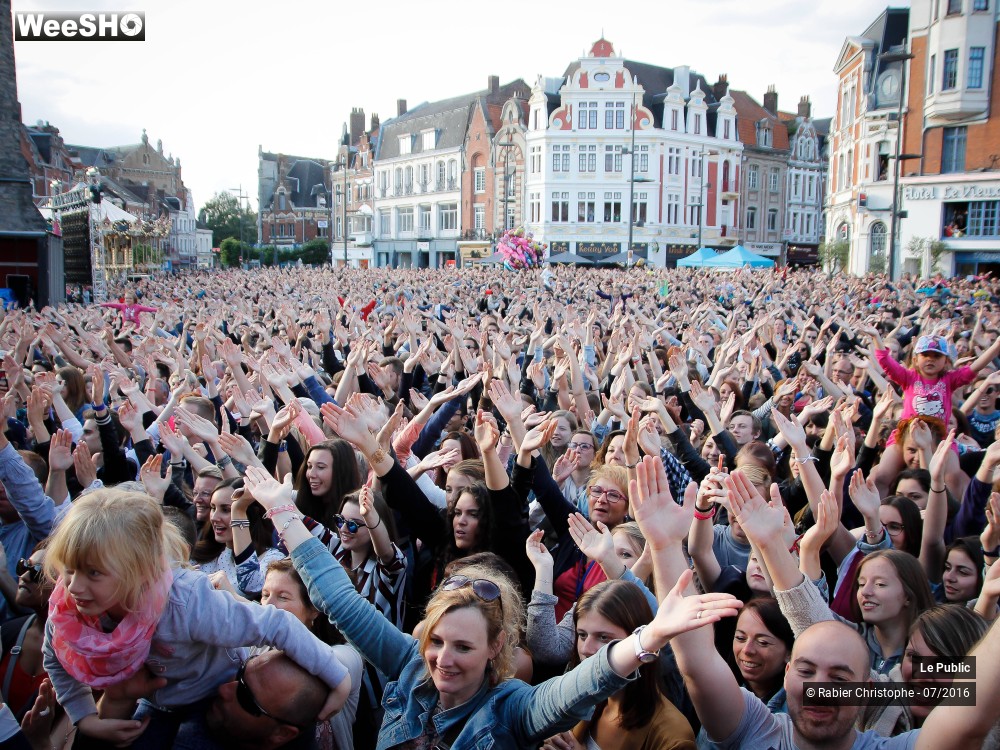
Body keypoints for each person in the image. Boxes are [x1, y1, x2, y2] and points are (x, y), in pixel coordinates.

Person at [244, 464, 741, 749]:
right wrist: (283, 513)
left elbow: (579, 685)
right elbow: (342, 604)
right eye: (436, 640)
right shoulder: (409, 666)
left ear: (495, 647)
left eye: (463, 645)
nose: (442, 658)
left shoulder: (512, 710)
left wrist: (650, 637)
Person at [41, 489, 351, 748]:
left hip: (213, 698)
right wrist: (84, 717)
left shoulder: (186, 601)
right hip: (155, 700)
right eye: (69, 569)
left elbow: (276, 624)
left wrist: (338, 678)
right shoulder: (68, 609)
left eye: (94, 573)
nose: (74, 586)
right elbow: (55, 656)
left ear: (139, 570)